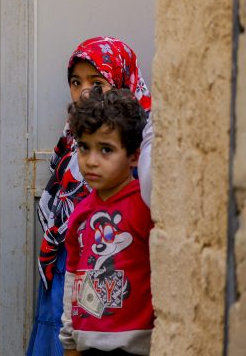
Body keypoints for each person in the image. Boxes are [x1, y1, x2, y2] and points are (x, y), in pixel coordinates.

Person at [28, 37, 152, 356]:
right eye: (75, 81)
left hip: (125, 319)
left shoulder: (142, 177)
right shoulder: (71, 142)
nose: (84, 92)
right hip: (73, 275)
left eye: (97, 82)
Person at [59, 87, 154, 356]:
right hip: (88, 346)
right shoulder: (81, 214)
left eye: (106, 150)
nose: (91, 161)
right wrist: (69, 340)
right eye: (84, 148)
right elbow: (73, 280)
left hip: (137, 347)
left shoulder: (144, 207)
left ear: (134, 156)